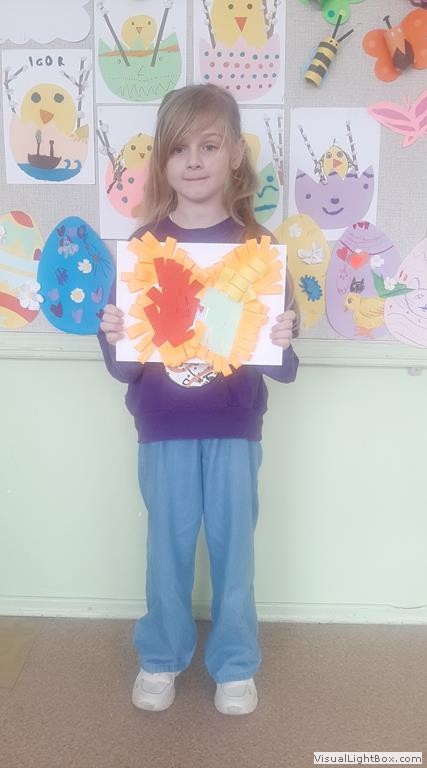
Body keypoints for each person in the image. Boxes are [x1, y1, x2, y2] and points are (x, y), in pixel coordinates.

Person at [99, 83, 299, 716]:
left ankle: (235, 663)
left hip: (235, 426)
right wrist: (113, 334)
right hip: (163, 426)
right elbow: (126, 367)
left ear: (235, 154)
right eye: (178, 148)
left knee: (235, 550)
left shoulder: (260, 250)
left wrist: (284, 336)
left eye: (209, 146)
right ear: (161, 160)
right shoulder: (142, 249)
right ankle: (161, 654)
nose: (193, 161)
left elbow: (282, 366)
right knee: (168, 547)